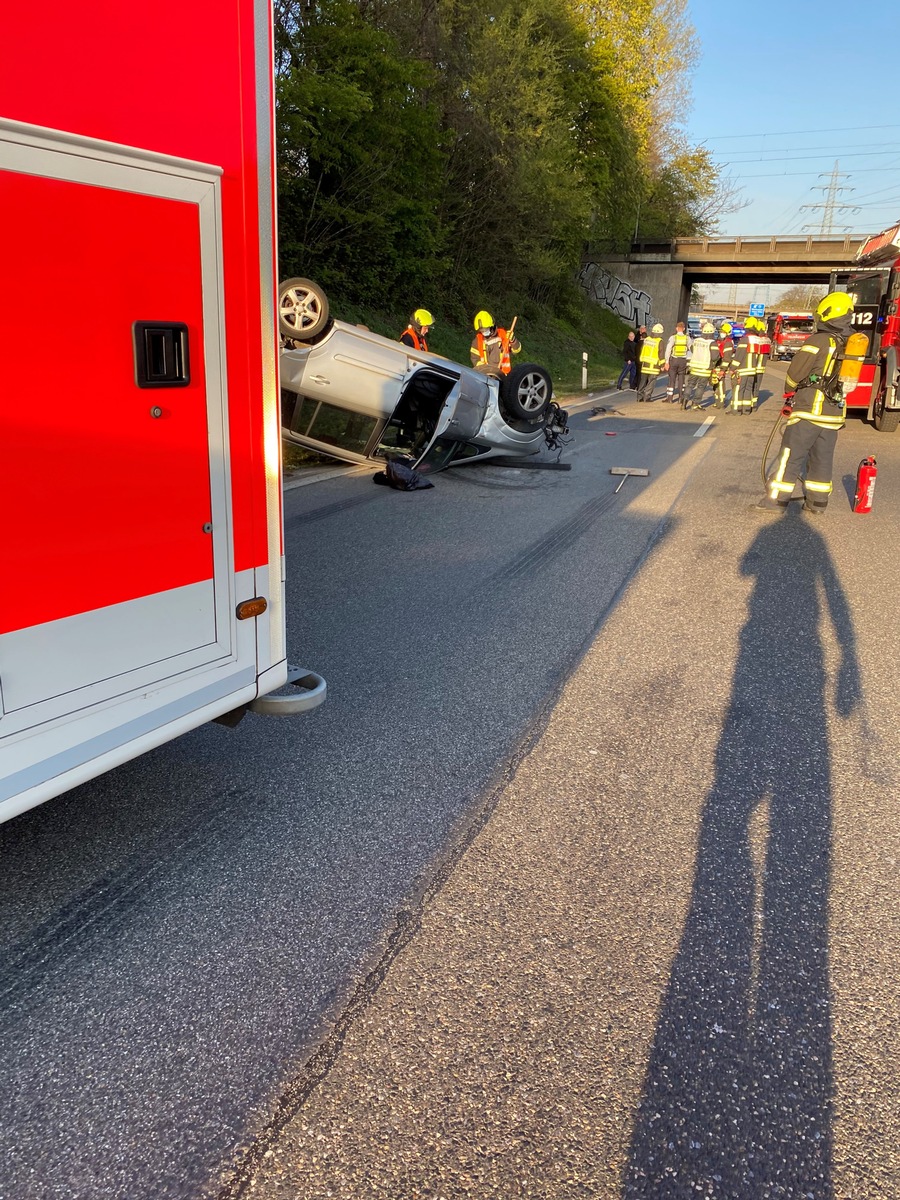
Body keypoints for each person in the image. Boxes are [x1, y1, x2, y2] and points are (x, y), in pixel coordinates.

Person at [752, 291, 855, 515]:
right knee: (822, 458)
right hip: (834, 413)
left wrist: (789, 392)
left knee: (791, 455)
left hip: (809, 409)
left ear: (827, 314)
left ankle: (775, 501)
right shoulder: (851, 341)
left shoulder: (818, 340)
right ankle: (817, 503)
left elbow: (795, 373)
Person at [470, 310, 521, 377]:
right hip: (487, 376)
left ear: (491, 326)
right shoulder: (477, 341)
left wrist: (513, 340)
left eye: (485, 329)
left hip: (504, 375)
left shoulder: (503, 335)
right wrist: (485, 370)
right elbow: (475, 359)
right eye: (481, 330)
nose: (483, 332)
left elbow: (516, 350)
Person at [683, 323, 720, 410]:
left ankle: (684, 402)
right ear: (712, 333)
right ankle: (695, 404)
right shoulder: (712, 343)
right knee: (701, 387)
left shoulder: (696, 341)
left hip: (694, 367)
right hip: (705, 369)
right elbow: (715, 357)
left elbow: (692, 349)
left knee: (690, 385)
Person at [663, 321, 692, 405]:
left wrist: (666, 362)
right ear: (683, 329)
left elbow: (668, 350)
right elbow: (691, 349)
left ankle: (670, 398)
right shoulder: (687, 338)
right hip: (683, 360)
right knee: (681, 380)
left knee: (672, 379)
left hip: (674, 360)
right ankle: (680, 398)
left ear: (676, 328)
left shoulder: (673, 338)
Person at [731, 322, 757, 414]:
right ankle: (746, 410)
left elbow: (739, 355)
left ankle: (738, 410)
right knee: (748, 389)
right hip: (753, 370)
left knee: (740, 389)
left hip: (743, 369)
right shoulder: (757, 340)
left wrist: (732, 368)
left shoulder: (744, 340)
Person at [636, 323, 665, 402]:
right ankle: (647, 397)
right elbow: (661, 353)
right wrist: (662, 364)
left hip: (645, 364)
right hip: (654, 366)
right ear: (659, 333)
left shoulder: (647, 339)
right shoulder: (660, 341)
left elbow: (643, 350)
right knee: (651, 382)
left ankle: (639, 397)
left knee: (642, 381)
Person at [633, 325, 647, 390]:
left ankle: (637, 385)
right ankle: (639, 385)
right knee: (640, 373)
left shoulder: (638, 344)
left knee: (639, 373)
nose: (644, 330)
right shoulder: (637, 339)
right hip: (642, 359)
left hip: (638, 359)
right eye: (643, 329)